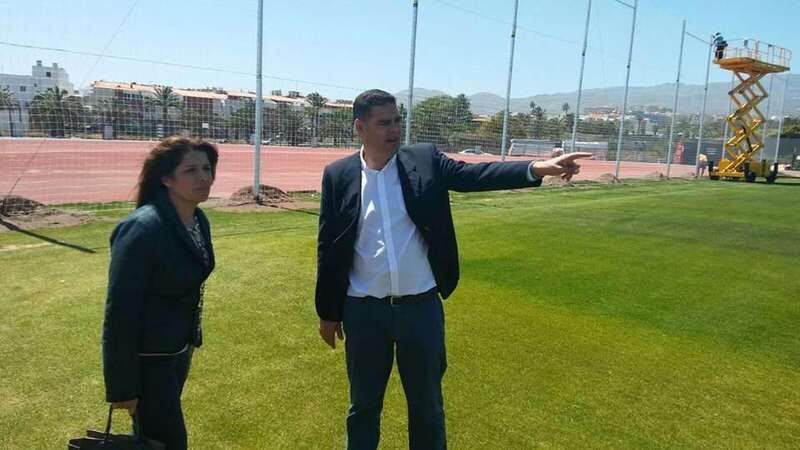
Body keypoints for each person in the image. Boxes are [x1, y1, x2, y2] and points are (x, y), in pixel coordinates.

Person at [315, 89, 591, 450]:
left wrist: (538, 168)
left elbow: (475, 176)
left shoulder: (423, 160)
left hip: (421, 310)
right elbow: (329, 246)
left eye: (397, 120)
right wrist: (327, 313)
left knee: (427, 407)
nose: (395, 129)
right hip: (364, 312)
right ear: (360, 127)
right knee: (364, 407)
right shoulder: (338, 175)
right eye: (384, 123)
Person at [102, 137, 218, 450]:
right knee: (168, 441)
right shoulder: (142, 229)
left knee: (157, 440)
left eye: (207, 168)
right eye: (191, 170)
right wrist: (122, 386)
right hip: (148, 362)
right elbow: (120, 312)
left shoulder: (197, 219)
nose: (204, 177)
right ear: (166, 178)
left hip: (177, 352)